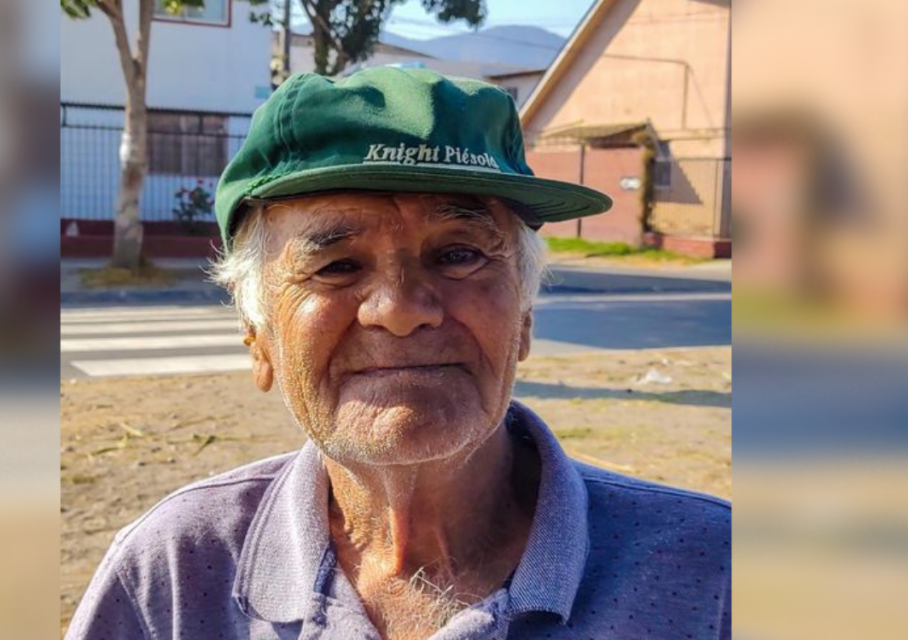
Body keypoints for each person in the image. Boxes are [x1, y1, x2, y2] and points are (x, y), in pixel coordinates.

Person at [66, 68, 730, 640]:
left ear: (524, 316)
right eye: (335, 266)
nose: (403, 308)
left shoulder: (715, 575)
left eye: (460, 255)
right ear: (258, 336)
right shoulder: (175, 575)